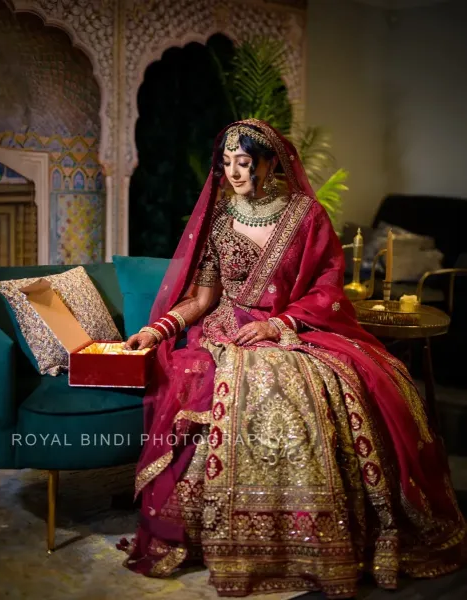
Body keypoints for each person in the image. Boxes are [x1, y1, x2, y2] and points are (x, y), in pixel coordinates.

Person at [118, 119, 465, 598]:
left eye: (243, 162)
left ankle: (313, 536)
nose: (234, 173)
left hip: (293, 327)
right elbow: (202, 299)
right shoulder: (219, 219)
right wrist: (156, 330)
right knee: (217, 385)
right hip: (224, 332)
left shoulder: (305, 216)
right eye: (226, 163)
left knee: (338, 382)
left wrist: (279, 325)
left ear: (270, 161)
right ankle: (223, 533)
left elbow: (327, 288)